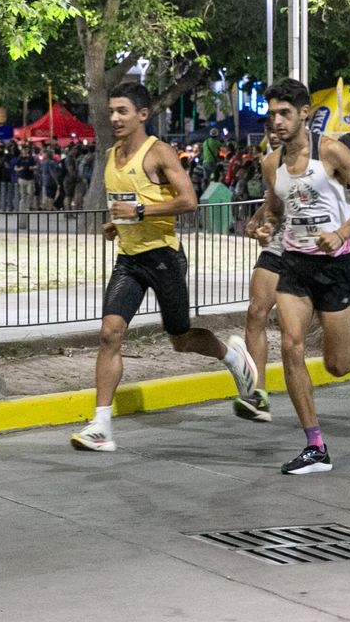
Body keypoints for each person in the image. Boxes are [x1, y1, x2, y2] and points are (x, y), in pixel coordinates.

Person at [71, 82, 258, 453]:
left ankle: (233, 357)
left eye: (122, 111)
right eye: (111, 111)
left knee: (181, 338)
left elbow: (189, 201)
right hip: (129, 260)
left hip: (164, 257)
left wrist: (139, 211)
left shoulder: (159, 153)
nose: (115, 118)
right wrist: (117, 224)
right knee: (110, 332)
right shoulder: (110, 156)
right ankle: (100, 426)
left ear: (143, 114)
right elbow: (125, 208)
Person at [253, 79, 350, 476]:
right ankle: (315, 446)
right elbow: (276, 209)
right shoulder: (271, 164)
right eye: (273, 114)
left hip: (335, 266)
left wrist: (342, 233)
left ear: (304, 114)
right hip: (294, 265)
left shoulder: (330, 150)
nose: (278, 121)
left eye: (285, 113)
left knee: (337, 365)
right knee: (291, 346)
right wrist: (266, 226)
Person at [233, 121, 285, 424]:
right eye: (269, 130)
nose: (275, 134)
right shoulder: (270, 163)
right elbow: (274, 202)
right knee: (256, 312)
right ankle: (258, 394)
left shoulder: (322, 156)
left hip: (311, 249)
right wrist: (258, 222)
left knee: (335, 352)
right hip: (278, 246)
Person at [15, 144, 37, 212]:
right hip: (22, 178)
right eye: (23, 149)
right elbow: (15, 168)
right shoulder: (19, 158)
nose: (24, 151)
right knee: (23, 193)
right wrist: (20, 169)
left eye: (26, 149)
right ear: (21, 151)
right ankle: (23, 206)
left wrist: (32, 168)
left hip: (30, 178)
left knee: (30, 193)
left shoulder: (31, 158)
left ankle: (28, 206)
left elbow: (36, 166)